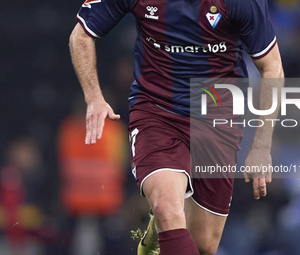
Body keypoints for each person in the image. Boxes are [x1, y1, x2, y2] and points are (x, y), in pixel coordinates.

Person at [69, 0, 284, 254]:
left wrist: (261, 146)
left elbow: (272, 68)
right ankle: (162, 219)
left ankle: (158, 233)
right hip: (157, 111)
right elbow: (80, 35)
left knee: (203, 244)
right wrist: (93, 96)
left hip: (217, 119)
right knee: (166, 208)